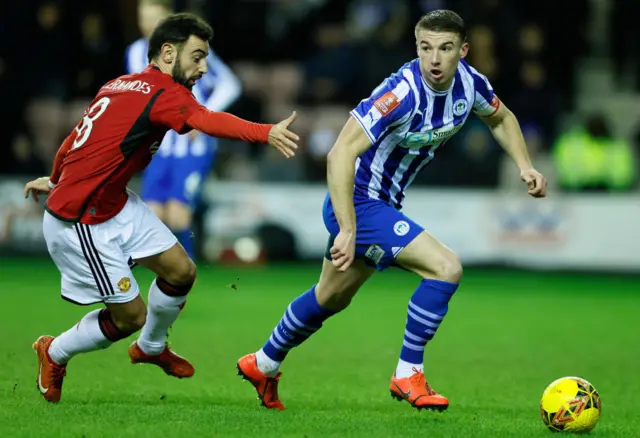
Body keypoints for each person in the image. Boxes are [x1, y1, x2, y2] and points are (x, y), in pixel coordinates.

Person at [236, 10, 547, 411]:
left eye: (445, 49)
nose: (434, 59)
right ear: (416, 48)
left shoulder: (471, 84)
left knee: (330, 297)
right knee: (446, 268)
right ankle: (407, 375)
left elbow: (501, 117)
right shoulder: (400, 93)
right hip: (359, 203)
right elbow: (339, 152)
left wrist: (525, 165)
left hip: (382, 204)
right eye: (425, 48)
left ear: (463, 51)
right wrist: (348, 228)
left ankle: (263, 362)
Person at [24, 12, 299, 403]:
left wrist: (54, 177)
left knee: (180, 271)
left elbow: (73, 139)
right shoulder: (163, 93)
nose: (203, 68)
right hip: (82, 220)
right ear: (168, 53)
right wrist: (264, 131)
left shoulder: (119, 84)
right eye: (198, 56)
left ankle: (151, 348)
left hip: (114, 203)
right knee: (129, 316)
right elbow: (206, 119)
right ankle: (53, 351)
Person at [126, 0, 242, 260]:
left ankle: (185, 273)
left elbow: (230, 84)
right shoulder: (134, 52)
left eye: (154, 16)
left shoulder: (190, 49)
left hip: (192, 147)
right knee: (154, 214)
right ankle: (165, 276)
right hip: (160, 147)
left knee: (178, 213)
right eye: (143, 16)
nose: (147, 23)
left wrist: (203, 115)